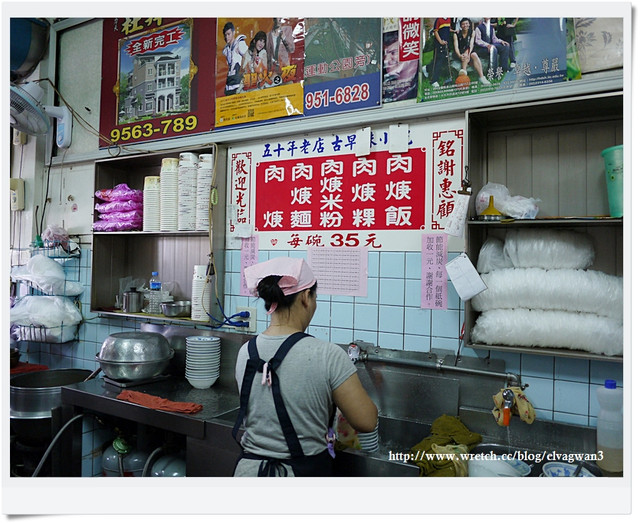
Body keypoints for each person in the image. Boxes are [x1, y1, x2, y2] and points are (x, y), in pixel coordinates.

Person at [232, 257, 378, 477]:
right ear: (305, 297)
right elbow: (367, 421)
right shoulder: (327, 355)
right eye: (315, 297)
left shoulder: (246, 352)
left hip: (248, 473)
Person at [382, 30, 418, 101]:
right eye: (384, 54)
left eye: (393, 52)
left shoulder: (421, 83)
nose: (386, 60)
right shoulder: (384, 88)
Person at [453, 18, 490, 85]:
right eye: (463, 24)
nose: (465, 25)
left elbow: (471, 44)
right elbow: (456, 47)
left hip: (469, 49)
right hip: (460, 51)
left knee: (474, 55)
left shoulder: (472, 32)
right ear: (460, 26)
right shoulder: (456, 34)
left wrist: (468, 53)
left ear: (469, 24)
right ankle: (464, 78)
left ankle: (481, 77)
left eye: (466, 23)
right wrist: (459, 56)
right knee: (465, 55)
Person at [222, 21, 248, 96]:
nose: (227, 37)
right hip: (230, 82)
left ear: (233, 33)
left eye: (228, 34)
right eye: (225, 35)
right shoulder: (226, 49)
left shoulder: (239, 43)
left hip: (239, 82)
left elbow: (249, 57)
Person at [426, 17, 452, 88]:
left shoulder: (449, 19)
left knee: (444, 60)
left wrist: (454, 31)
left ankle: (426, 68)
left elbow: (448, 29)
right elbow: (435, 31)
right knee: (438, 61)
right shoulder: (439, 19)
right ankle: (433, 80)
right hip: (439, 44)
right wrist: (440, 41)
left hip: (446, 43)